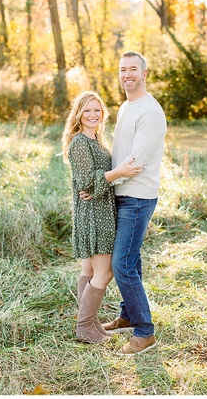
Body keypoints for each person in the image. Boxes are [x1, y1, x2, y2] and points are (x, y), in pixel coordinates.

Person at [96, 52, 167, 356]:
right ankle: (128, 314)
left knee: (121, 264)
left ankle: (144, 332)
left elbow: (136, 162)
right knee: (131, 259)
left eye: (133, 69)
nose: (127, 74)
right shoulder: (127, 106)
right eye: (123, 69)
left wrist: (102, 181)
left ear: (145, 74)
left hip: (137, 196)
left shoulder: (150, 112)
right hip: (124, 194)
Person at [61, 91, 143, 343]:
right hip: (96, 215)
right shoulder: (79, 143)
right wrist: (118, 172)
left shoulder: (96, 140)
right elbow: (85, 183)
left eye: (97, 110)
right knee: (104, 273)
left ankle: (91, 323)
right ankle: (84, 326)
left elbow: (91, 182)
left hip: (99, 209)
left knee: (88, 269)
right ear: (78, 115)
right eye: (87, 110)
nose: (93, 115)